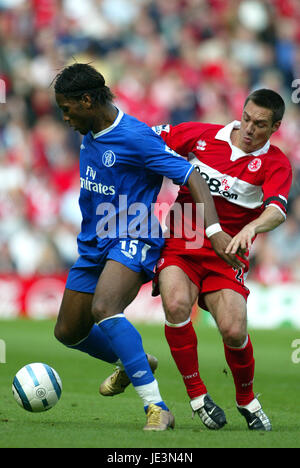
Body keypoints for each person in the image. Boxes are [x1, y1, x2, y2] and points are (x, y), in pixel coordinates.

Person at [52, 63, 241, 431]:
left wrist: (214, 229)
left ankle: (157, 408)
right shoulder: (90, 129)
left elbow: (190, 174)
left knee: (104, 306)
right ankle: (133, 358)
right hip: (94, 242)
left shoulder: (136, 138)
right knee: (68, 332)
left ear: (87, 100)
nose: (64, 117)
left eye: (67, 108)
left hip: (134, 236)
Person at [150, 89, 292, 431]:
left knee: (233, 329)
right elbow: (146, 137)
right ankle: (197, 396)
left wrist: (252, 228)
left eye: (259, 124)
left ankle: (246, 398)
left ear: (275, 127)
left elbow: (277, 210)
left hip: (226, 254)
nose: (248, 128)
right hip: (183, 243)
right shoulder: (200, 136)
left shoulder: (277, 163)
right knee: (176, 304)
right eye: (246, 118)